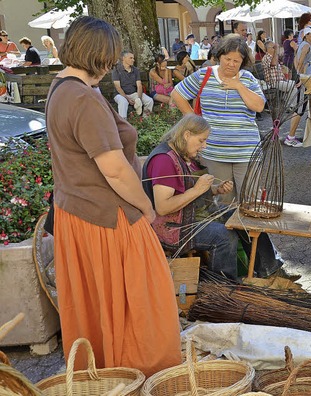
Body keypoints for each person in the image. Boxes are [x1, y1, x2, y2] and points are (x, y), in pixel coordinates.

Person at [46, 15, 181, 376]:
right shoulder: (82, 98)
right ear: (101, 57)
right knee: (141, 301)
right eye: (110, 56)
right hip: (106, 216)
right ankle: (141, 374)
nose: (110, 64)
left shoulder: (60, 88)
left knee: (98, 302)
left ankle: (105, 371)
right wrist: (146, 206)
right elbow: (114, 170)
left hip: (76, 214)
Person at [142, 114, 295, 281]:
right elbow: (163, 207)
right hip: (173, 227)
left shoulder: (181, 154)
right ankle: (223, 285)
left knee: (243, 216)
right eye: (201, 140)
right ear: (186, 135)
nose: (204, 146)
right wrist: (197, 190)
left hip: (192, 213)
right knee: (224, 236)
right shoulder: (164, 160)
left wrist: (215, 189)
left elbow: (185, 190)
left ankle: (270, 271)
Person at [171, 34, 265, 204]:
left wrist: (238, 86)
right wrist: (193, 120)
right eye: (227, 59)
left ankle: (248, 232)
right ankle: (226, 232)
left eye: (236, 61)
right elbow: (177, 94)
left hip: (246, 153)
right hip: (214, 152)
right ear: (219, 56)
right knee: (222, 201)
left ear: (242, 62)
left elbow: (259, 106)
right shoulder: (204, 76)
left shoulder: (248, 79)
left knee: (251, 201)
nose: (231, 64)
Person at [284, 25, 311, 148]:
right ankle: (290, 137)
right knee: (299, 110)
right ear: (307, 35)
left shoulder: (304, 45)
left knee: (303, 109)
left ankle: (310, 135)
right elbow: (299, 62)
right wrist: (300, 77)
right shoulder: (305, 45)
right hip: (305, 82)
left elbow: (297, 61)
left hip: (306, 81)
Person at [112, 50, 154, 118]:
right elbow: (118, 87)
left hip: (133, 93)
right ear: (123, 58)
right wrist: (127, 98)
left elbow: (139, 86)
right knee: (123, 102)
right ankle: (123, 123)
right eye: (130, 58)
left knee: (149, 101)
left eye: (133, 58)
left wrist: (139, 99)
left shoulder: (135, 70)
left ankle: (145, 120)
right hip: (120, 94)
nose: (133, 60)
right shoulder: (116, 70)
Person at [262, 40, 296, 107]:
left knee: (293, 84)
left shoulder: (272, 57)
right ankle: (289, 105)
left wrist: (285, 78)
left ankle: (287, 103)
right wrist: (276, 50)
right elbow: (273, 64)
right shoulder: (266, 57)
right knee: (292, 86)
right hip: (273, 83)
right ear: (268, 49)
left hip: (279, 81)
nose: (275, 49)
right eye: (273, 47)